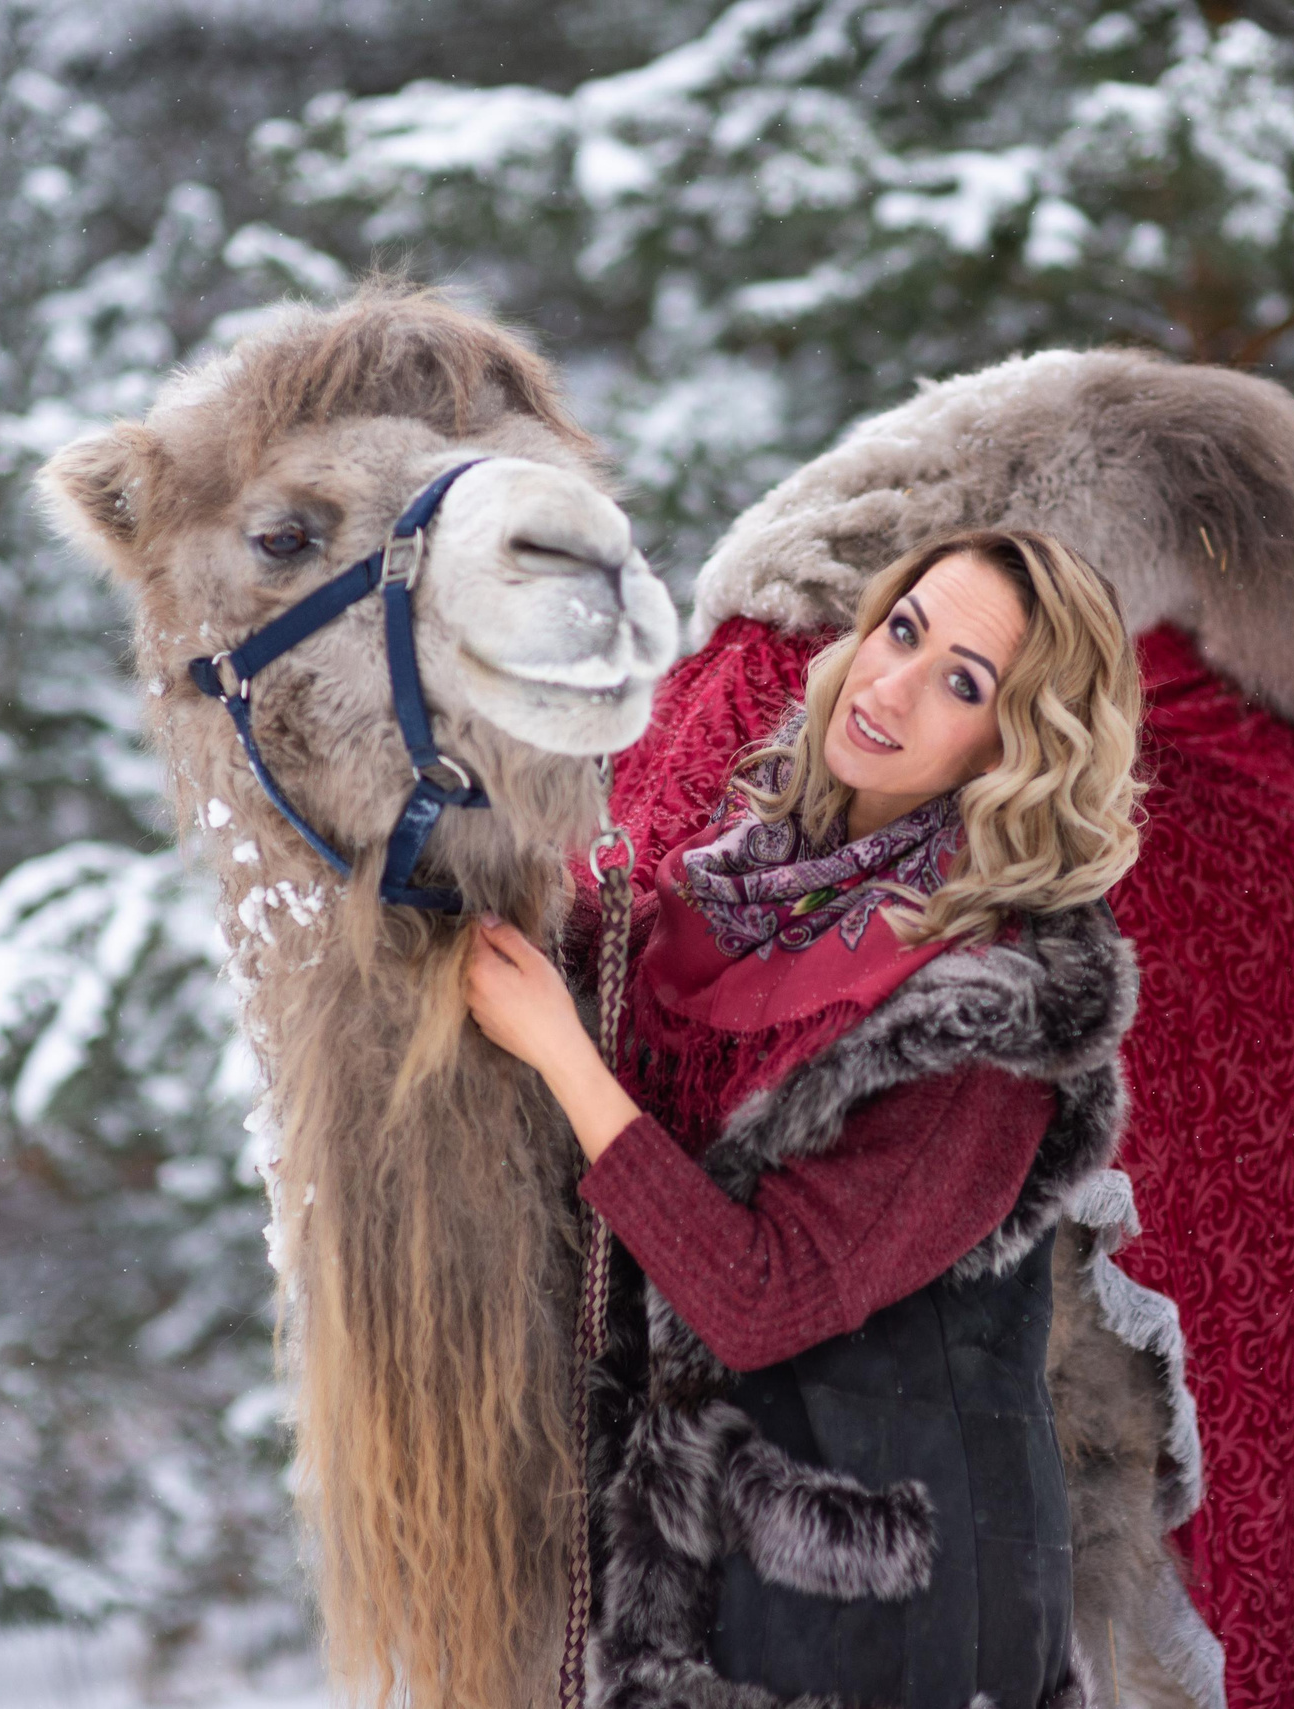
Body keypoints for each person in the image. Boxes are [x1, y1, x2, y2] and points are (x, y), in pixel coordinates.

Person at [463, 528, 1145, 1709]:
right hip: (691, 1580)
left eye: (962, 682)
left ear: (1016, 746)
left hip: (871, 1623)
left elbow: (756, 1292)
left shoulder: (986, 1017)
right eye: (904, 629)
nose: (891, 685)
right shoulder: (755, 875)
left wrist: (567, 1060)